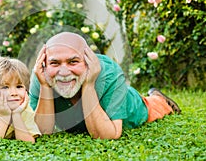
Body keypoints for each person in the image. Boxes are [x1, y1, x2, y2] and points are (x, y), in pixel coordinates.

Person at [30, 31, 181, 139]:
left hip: (134, 106)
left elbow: (107, 135)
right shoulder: (42, 75)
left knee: (152, 106)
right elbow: (42, 131)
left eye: (73, 62)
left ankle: (157, 98)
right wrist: (45, 87)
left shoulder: (110, 73)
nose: (63, 72)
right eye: (55, 63)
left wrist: (88, 85)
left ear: (88, 61)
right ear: (44, 63)